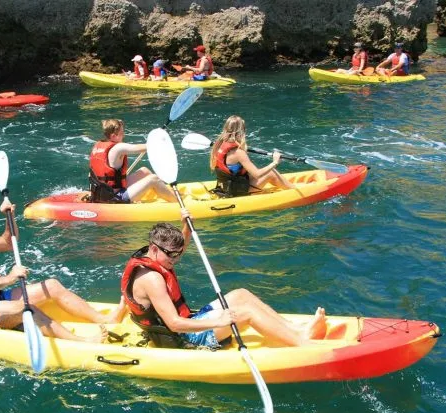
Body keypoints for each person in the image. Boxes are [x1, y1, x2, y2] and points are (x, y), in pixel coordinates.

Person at [0, 197, 126, 343]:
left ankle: (103, 319)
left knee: (52, 286)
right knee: (25, 308)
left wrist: (9, 216)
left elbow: (6, 242)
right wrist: (10, 278)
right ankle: (79, 341)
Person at [121, 212, 331, 349]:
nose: (176, 260)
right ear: (155, 249)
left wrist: (186, 226)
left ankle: (296, 330)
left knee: (241, 294)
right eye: (172, 256)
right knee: (246, 313)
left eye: (178, 254)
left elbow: (177, 249)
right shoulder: (152, 279)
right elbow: (175, 324)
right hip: (183, 337)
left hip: (189, 323)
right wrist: (219, 321)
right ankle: (301, 344)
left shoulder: (156, 256)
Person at [88, 119, 177, 203]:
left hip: (101, 192)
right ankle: (176, 201)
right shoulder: (118, 148)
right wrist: (160, 139)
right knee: (154, 179)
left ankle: (164, 191)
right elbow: (144, 147)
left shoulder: (97, 146)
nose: (124, 135)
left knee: (144, 171)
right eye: (121, 133)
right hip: (116, 197)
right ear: (113, 136)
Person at [209, 115, 295, 197]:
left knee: (252, 172)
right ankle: (295, 190)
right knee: (271, 173)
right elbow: (257, 174)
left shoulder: (218, 145)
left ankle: (288, 185)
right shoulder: (238, 152)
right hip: (237, 190)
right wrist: (275, 162)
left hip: (226, 186)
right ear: (242, 131)